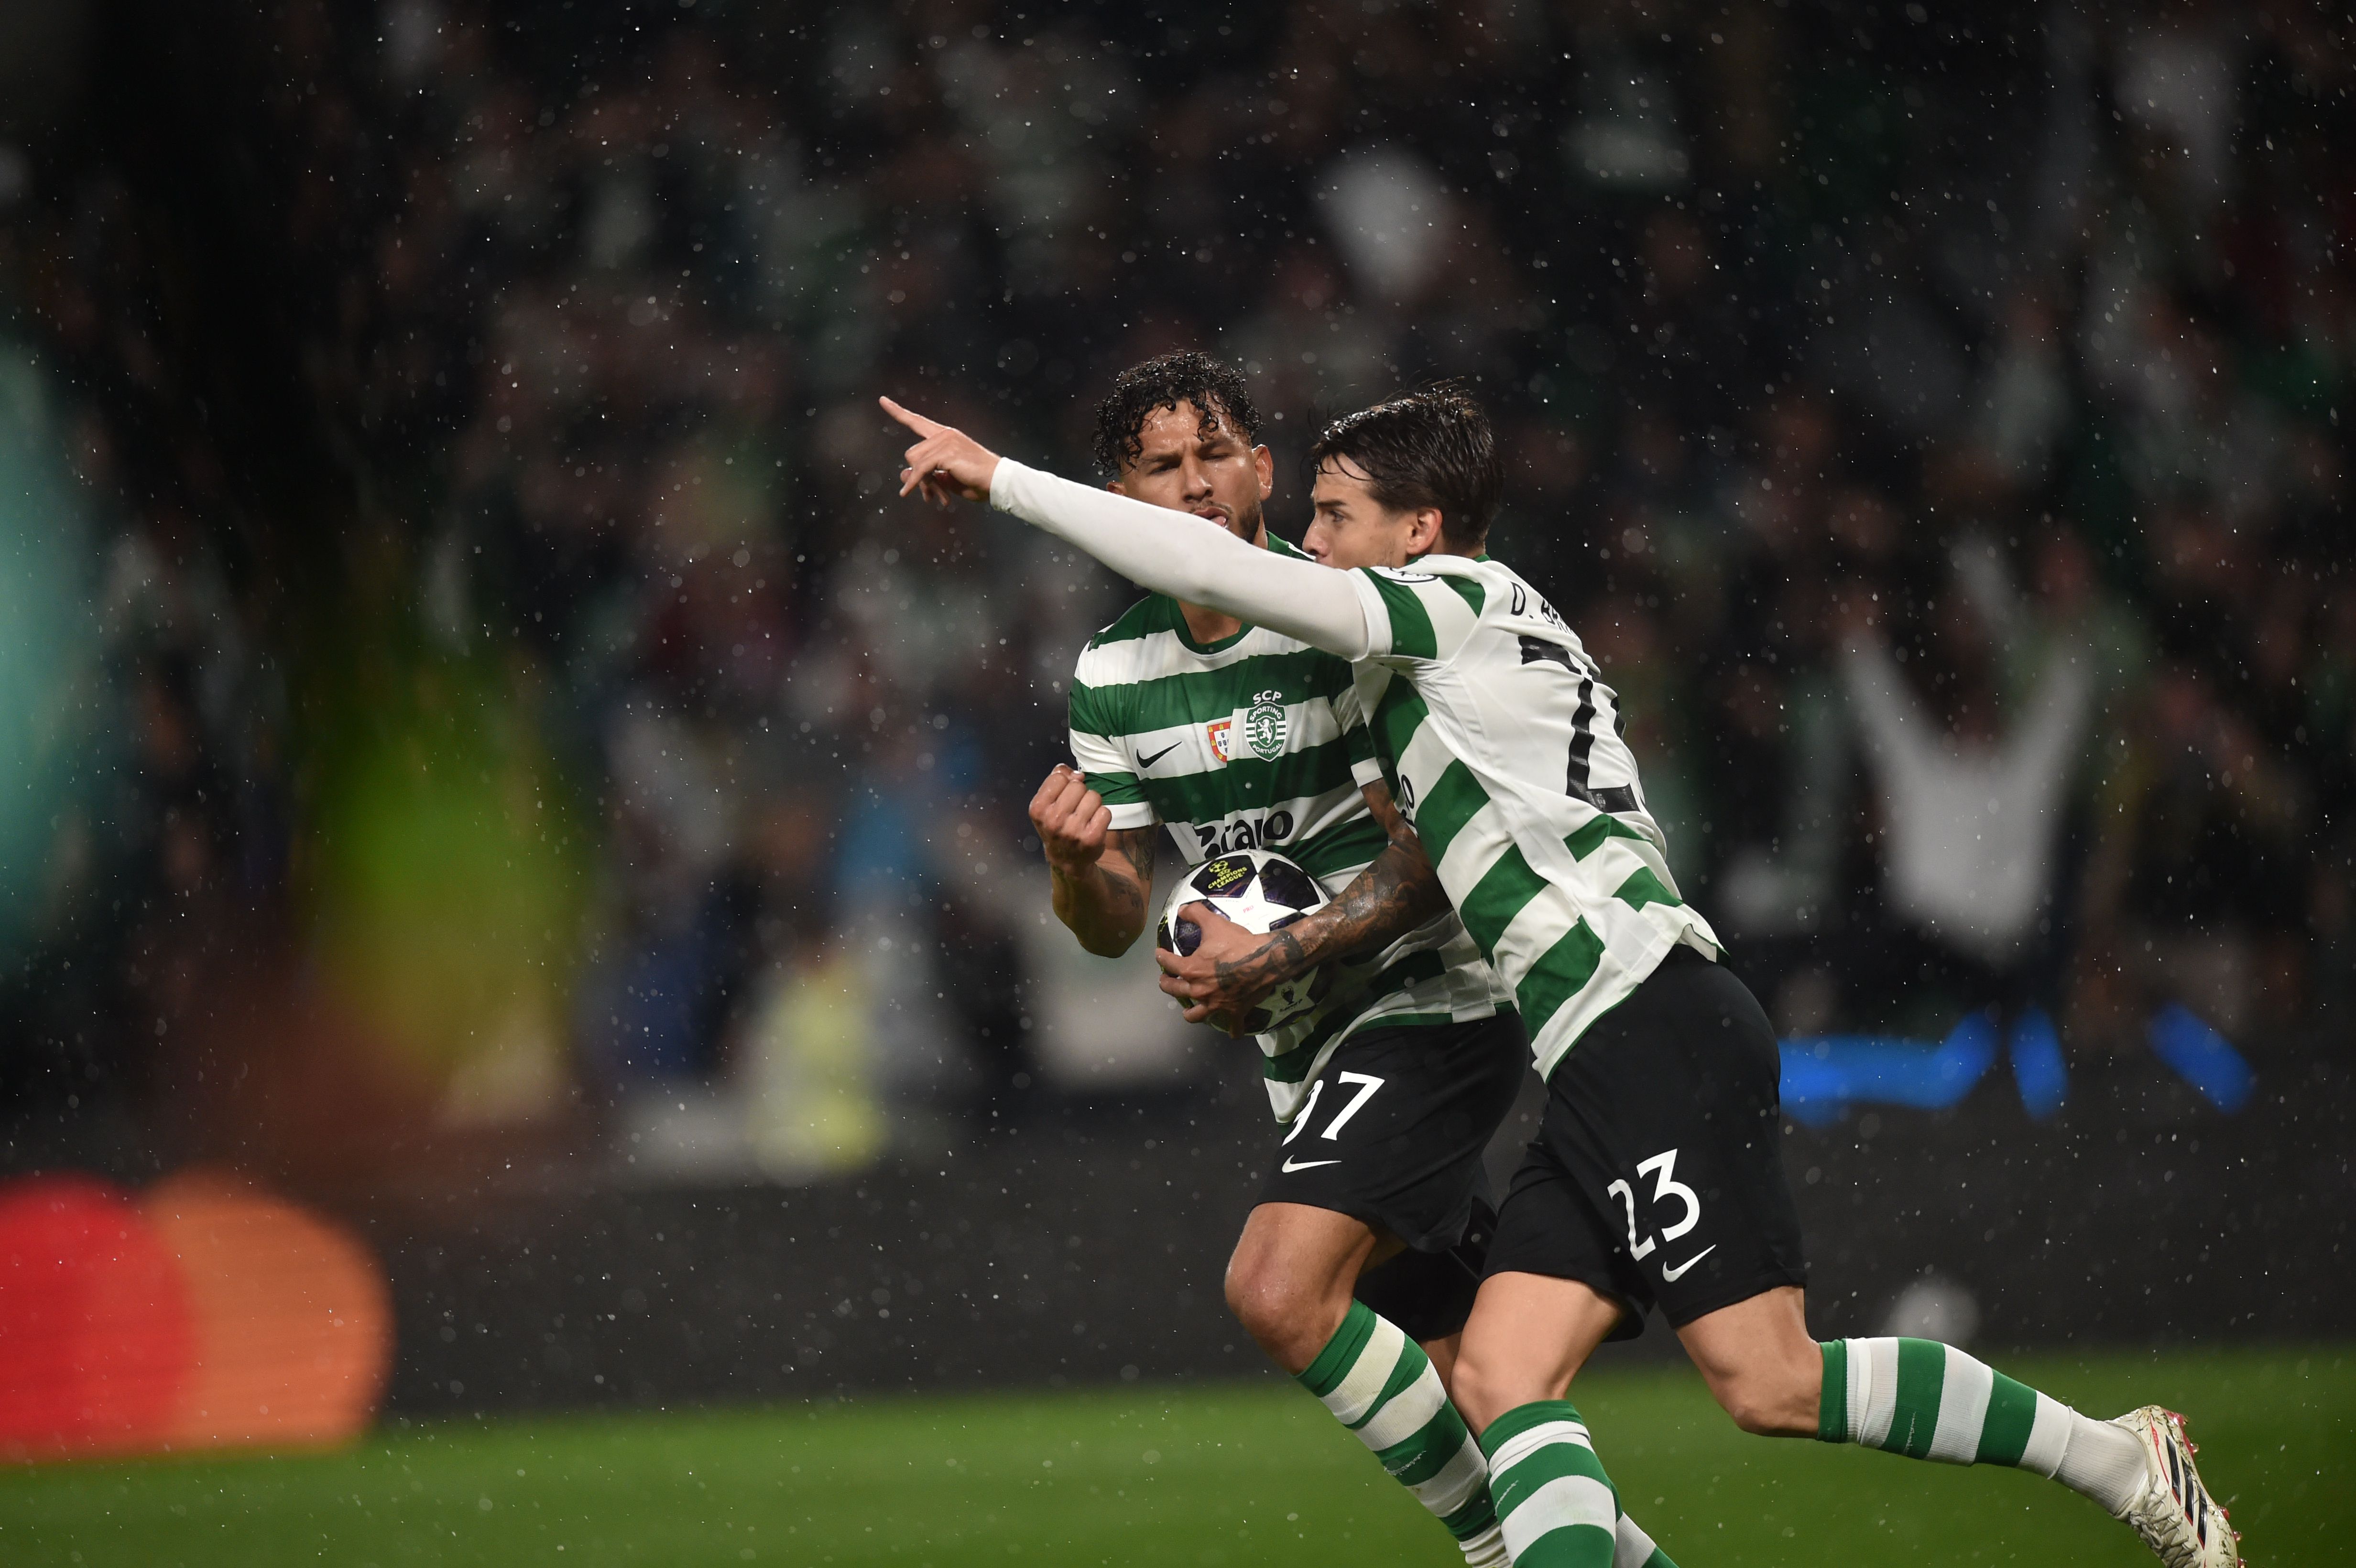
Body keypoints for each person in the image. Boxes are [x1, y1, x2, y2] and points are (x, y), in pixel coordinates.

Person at [881, 383, 2242, 1568]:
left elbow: (1225, 575)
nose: (1313, 540)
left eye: (1336, 517)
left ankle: (2117, 1458)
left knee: (1769, 1381)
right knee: (1499, 1376)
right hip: (1589, 1048)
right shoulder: (1440, 636)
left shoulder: (1447, 606)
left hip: (1650, 1011)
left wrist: (1002, 479)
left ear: (1418, 531)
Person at [1025, 351, 1671, 1568]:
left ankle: (1493, 1555)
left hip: (1425, 1004)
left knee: (1277, 1287)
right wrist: (1073, 864)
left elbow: (1431, 852)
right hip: (1304, 1053)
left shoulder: (1336, 618)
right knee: (1475, 1383)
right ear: (1119, 499)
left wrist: (1281, 949)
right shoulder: (1112, 673)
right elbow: (1112, 921)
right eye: (1160, 465)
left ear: (1263, 466)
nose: (1196, 483)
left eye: (1216, 453)